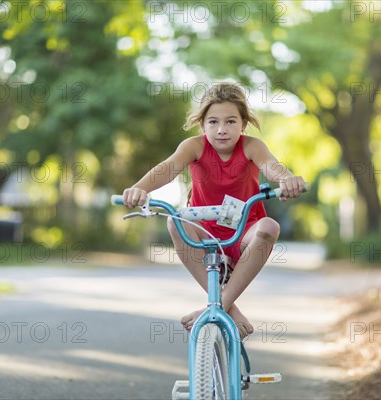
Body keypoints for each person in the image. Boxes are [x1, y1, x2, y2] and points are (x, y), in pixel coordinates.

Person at [122, 82, 304, 337]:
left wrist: (286, 178)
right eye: (213, 122)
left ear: (243, 123)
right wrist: (139, 188)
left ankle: (214, 307)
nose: (221, 130)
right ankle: (231, 312)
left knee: (269, 227)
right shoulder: (194, 147)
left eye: (230, 121)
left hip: (243, 232)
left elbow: (271, 166)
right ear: (202, 124)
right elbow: (167, 168)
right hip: (203, 232)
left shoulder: (252, 147)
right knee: (175, 220)